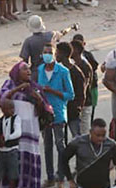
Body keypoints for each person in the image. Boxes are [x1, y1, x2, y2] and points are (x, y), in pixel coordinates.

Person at [0, 62, 46, 188]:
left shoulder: (35, 87)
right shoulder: (9, 84)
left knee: (28, 161)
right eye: (25, 69)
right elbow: (2, 100)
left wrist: (39, 100)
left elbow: (42, 111)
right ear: (17, 72)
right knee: (13, 161)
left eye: (29, 69)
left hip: (31, 131)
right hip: (14, 132)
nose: (29, 71)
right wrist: (17, 89)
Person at [37, 43, 74, 186]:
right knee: (47, 145)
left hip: (58, 112)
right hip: (45, 113)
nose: (47, 55)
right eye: (45, 52)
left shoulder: (63, 71)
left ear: (54, 54)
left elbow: (70, 94)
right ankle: (50, 176)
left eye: (49, 52)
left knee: (60, 144)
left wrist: (52, 91)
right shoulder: (40, 69)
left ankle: (61, 174)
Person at [61, 118, 116, 188]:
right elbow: (63, 159)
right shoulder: (78, 143)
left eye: (103, 135)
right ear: (91, 132)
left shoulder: (111, 145)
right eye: (97, 135)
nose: (100, 138)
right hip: (82, 185)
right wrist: (70, 180)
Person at [0, 98, 22, 188]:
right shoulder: (1, 120)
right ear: (3, 109)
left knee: (13, 175)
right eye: (9, 109)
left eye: (12, 108)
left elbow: (18, 132)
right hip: (2, 151)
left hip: (12, 151)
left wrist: (6, 139)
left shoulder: (16, 118)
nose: (12, 110)